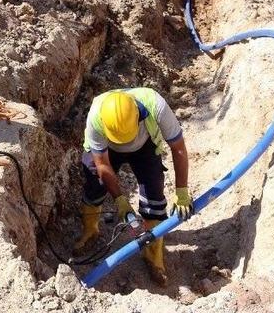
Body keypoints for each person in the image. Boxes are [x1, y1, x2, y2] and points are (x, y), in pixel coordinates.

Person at [74, 88, 194, 287]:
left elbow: (178, 148)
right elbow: (102, 164)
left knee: (154, 197)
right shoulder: (97, 117)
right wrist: (120, 201)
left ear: (139, 115)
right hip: (108, 148)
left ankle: (153, 254)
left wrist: (182, 192)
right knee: (94, 182)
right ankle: (90, 230)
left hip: (145, 145)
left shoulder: (155, 105)